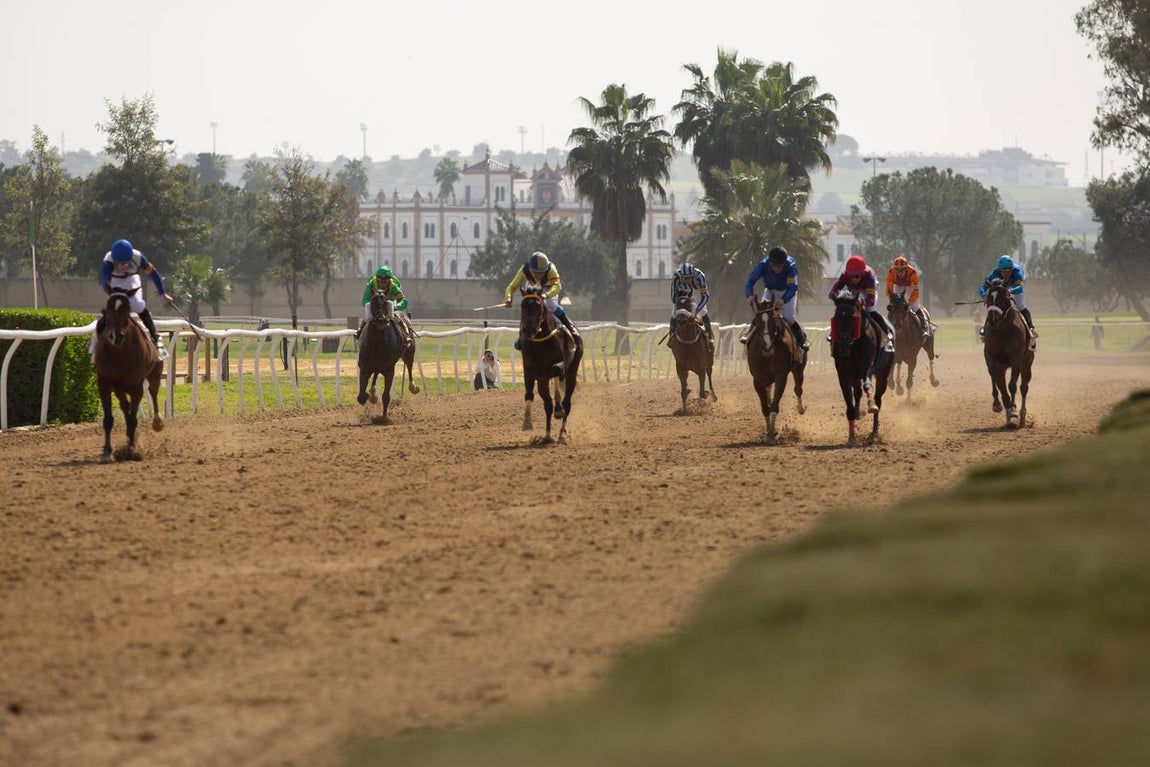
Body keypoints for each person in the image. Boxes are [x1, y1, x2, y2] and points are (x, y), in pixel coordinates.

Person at [97, 238, 175, 359]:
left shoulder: (138, 257)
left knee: (137, 304)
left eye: (127, 263)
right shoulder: (108, 260)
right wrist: (112, 293)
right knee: (112, 307)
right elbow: (104, 281)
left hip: (131, 282)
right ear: (115, 261)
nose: (125, 266)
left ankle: (155, 337)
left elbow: (153, 273)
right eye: (121, 264)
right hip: (114, 283)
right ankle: (97, 342)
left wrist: (163, 294)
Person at [503, 251, 580, 349]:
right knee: (528, 307)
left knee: (551, 304)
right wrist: (509, 299)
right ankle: (521, 337)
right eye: (536, 273)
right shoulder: (524, 270)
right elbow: (511, 287)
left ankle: (570, 328)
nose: (539, 276)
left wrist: (546, 295)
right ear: (531, 269)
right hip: (534, 287)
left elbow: (557, 287)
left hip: (549, 288)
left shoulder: (551, 269)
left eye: (542, 273)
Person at [741, 246, 809, 349]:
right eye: (773, 265)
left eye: (779, 265)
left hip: (787, 292)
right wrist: (749, 294)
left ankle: (801, 339)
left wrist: (783, 300)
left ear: (784, 263)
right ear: (770, 262)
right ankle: (749, 334)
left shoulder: (791, 267)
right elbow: (750, 280)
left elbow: (792, 287)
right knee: (762, 314)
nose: (776, 268)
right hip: (770, 290)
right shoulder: (763, 265)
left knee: (789, 317)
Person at [828, 254, 895, 352]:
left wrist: (863, 303)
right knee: (844, 311)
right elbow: (835, 289)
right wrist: (833, 294)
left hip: (867, 288)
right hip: (852, 289)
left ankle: (887, 333)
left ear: (862, 274)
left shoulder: (869, 277)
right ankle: (832, 334)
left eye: (856, 276)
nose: (853, 279)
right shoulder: (844, 275)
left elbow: (871, 301)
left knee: (870, 310)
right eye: (850, 276)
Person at [979, 254, 1037, 339]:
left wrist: (1010, 291)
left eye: (1008, 271)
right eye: (1003, 271)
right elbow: (982, 287)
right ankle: (985, 329)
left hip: (1015, 286)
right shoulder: (995, 273)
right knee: (994, 306)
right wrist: (984, 296)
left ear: (1012, 269)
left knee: (1020, 305)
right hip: (1002, 287)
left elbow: (1020, 288)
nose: (1005, 273)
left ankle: (1031, 328)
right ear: (999, 270)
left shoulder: (1017, 272)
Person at [355, 264, 413, 345]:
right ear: (377, 279)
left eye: (385, 281)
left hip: (388, 305)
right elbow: (365, 300)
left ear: (389, 280)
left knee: (394, 313)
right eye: (380, 281)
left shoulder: (393, 286)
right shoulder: (371, 284)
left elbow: (403, 301)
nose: (382, 284)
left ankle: (406, 336)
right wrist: (372, 305)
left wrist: (396, 307)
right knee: (367, 314)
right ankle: (359, 332)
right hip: (375, 305)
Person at [669, 261, 714, 350]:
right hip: (682, 295)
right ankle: (672, 335)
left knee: (703, 311)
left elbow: (705, 297)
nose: (687, 280)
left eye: (689, 277)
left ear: (693, 275)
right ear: (682, 275)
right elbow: (673, 297)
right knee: (674, 312)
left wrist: (696, 310)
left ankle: (709, 336)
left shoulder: (700, 276)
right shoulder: (676, 277)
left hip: (696, 292)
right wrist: (681, 309)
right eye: (685, 278)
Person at [884, 254, 931, 337]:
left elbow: (915, 292)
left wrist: (909, 303)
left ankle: (924, 329)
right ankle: (887, 329)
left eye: (902, 270)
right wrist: (893, 301)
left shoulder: (913, 273)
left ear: (906, 268)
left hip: (910, 285)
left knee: (915, 306)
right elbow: (888, 290)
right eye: (897, 270)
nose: (899, 273)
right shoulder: (891, 272)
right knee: (893, 306)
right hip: (898, 285)